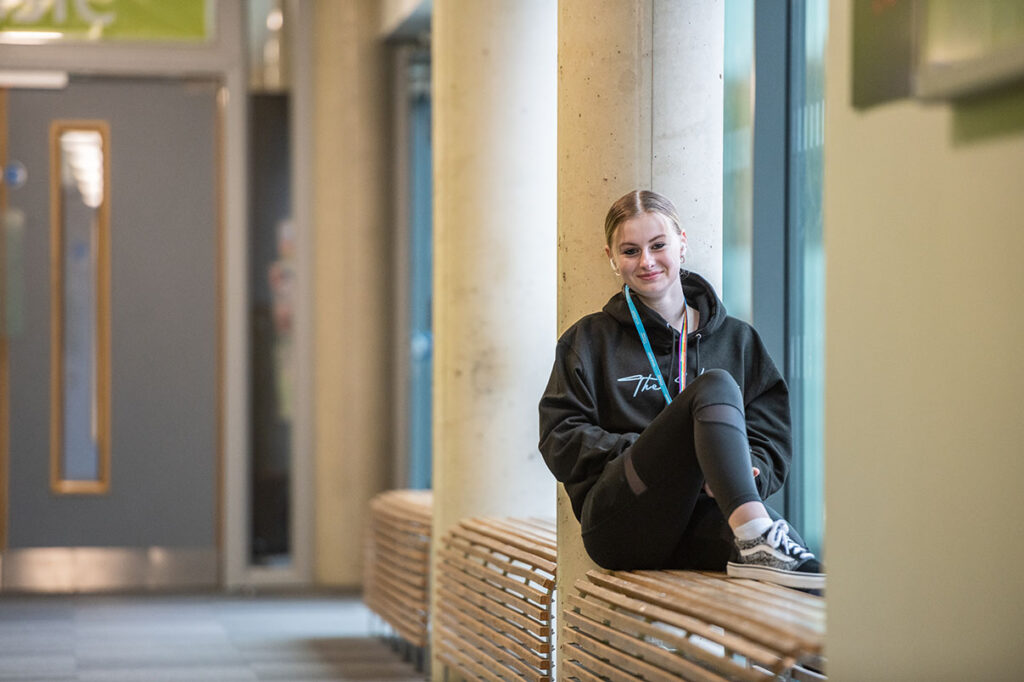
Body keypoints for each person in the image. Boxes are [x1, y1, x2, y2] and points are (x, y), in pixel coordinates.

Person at [538, 189, 824, 591]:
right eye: (631, 251)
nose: (647, 261)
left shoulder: (737, 341)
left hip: (705, 514)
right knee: (717, 385)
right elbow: (560, 437)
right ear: (611, 258)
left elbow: (770, 437)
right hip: (624, 521)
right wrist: (665, 458)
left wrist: (745, 471)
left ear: (682, 243)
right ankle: (754, 529)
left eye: (658, 245)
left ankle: (815, 643)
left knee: (802, 567)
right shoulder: (588, 340)